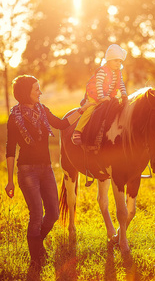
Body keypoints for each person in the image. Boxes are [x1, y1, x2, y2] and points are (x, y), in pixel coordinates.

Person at [5, 75, 91, 274]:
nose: (40, 93)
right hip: (27, 172)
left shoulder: (42, 110)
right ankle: (36, 260)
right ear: (26, 92)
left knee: (52, 213)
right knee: (36, 216)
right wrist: (9, 180)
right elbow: (10, 150)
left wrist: (82, 110)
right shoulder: (14, 117)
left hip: (46, 169)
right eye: (37, 89)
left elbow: (61, 124)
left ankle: (36, 245)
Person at [71, 44, 128, 145]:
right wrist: (101, 97)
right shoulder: (103, 71)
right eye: (116, 60)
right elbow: (99, 84)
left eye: (120, 61)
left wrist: (124, 94)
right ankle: (77, 131)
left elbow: (121, 84)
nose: (118, 63)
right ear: (108, 60)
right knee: (90, 109)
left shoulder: (118, 72)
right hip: (95, 94)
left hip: (108, 95)